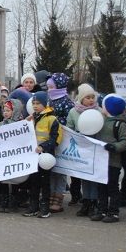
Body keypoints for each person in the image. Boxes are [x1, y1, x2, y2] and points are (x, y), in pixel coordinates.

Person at [90, 95, 126, 223]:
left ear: (108, 109)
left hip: (113, 161)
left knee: (112, 186)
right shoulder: (100, 121)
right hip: (100, 161)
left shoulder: (120, 124)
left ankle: (113, 212)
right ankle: (101, 209)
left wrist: (114, 147)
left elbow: (125, 142)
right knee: (100, 186)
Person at [24, 91, 61, 218]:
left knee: (45, 182)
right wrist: (26, 121)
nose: (35, 106)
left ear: (45, 104)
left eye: (38, 103)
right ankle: (33, 206)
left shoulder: (52, 119)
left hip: (46, 157)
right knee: (33, 182)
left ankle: (45, 206)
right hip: (33, 156)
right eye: (33, 103)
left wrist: (43, 147)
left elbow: (56, 139)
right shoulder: (32, 118)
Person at [67, 84, 100, 217]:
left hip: (94, 149)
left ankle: (94, 202)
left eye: (93, 97)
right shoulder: (73, 112)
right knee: (84, 177)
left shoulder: (98, 111)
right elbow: (69, 128)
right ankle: (86, 201)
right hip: (81, 148)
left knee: (93, 177)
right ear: (81, 99)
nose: (91, 100)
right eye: (87, 97)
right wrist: (77, 134)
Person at [46, 73, 74, 213]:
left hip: (62, 138)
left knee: (61, 169)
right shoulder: (49, 100)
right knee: (51, 167)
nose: (49, 89)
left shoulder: (67, 102)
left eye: (51, 87)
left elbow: (70, 120)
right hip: (50, 139)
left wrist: (58, 124)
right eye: (48, 87)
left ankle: (58, 196)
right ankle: (51, 194)